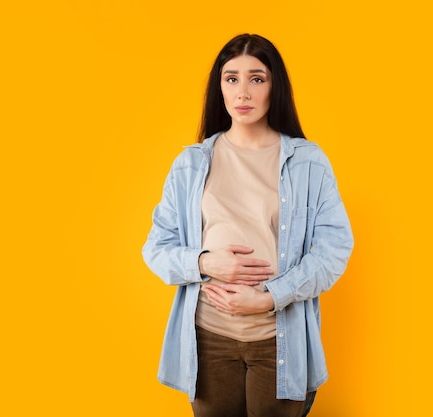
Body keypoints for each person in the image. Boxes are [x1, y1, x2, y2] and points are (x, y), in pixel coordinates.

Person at [142, 33, 354, 417]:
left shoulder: (308, 162)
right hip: (210, 339)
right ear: (219, 88)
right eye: (231, 78)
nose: (243, 92)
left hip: (279, 340)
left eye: (257, 78)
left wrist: (270, 296)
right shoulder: (190, 163)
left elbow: (333, 250)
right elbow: (156, 248)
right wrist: (206, 262)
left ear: (275, 86)